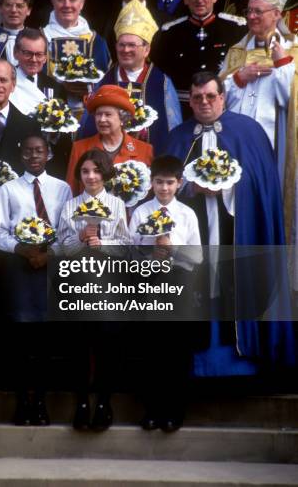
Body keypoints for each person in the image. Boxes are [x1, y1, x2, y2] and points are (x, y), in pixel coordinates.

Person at [162, 71, 294, 374]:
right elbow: (163, 185)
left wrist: (231, 186)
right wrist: (192, 188)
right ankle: (196, 363)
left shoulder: (248, 132)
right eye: (197, 98)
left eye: (210, 96)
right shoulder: (179, 136)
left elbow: (262, 186)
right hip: (194, 232)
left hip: (236, 227)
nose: (204, 102)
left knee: (233, 284)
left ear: (222, 96)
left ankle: (240, 362)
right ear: (190, 101)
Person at [0, 132, 72, 426]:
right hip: (21, 266)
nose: (34, 156)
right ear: (20, 154)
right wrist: (20, 248)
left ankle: (40, 402)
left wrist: (50, 254)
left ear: (49, 154)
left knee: (45, 340)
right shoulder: (9, 190)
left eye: (39, 151)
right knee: (21, 339)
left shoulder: (61, 189)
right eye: (28, 151)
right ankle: (21, 402)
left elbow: (67, 231)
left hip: (50, 265)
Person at [220, 0, 297, 226]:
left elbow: (290, 101)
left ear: (277, 14)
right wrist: (238, 78)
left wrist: (281, 63)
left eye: (258, 12)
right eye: (249, 11)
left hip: (275, 147)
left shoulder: (293, 53)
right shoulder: (236, 52)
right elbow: (216, 99)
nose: (251, 17)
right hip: (237, 146)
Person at [58, 148, 130, 430]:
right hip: (78, 281)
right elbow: (63, 248)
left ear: (105, 174)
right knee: (80, 344)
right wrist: (80, 236)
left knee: (106, 344)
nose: (91, 176)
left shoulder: (116, 205)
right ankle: (82, 401)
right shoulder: (70, 206)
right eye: (85, 171)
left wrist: (104, 244)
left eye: (96, 171)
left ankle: (104, 401)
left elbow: (126, 246)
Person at [129, 155, 201, 431]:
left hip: (179, 281)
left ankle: (174, 412)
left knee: (176, 350)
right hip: (149, 282)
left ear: (179, 183)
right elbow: (132, 251)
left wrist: (174, 248)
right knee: (152, 349)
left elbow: (198, 256)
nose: (164, 188)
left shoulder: (186, 214)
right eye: (159, 182)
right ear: (151, 183)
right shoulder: (141, 213)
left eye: (170, 182)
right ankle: (152, 410)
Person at [79, 0, 182, 155]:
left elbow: (173, 131)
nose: (125, 50)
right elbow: (88, 128)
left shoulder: (163, 83)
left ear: (146, 49)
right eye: (121, 44)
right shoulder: (103, 82)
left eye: (132, 45)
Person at [150, 0, 247, 117]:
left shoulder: (236, 29)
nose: (199, 0)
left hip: (224, 107)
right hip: (182, 109)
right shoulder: (169, 33)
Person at [66, 85, 153, 195]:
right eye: (98, 114)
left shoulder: (144, 150)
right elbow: (71, 192)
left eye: (108, 114)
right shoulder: (80, 148)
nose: (102, 119)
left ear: (122, 118)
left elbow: (148, 196)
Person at [42, 0, 111, 114]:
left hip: (90, 119)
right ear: (52, 2)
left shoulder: (97, 42)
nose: (67, 5)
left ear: (82, 3)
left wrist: (89, 86)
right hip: (48, 117)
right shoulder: (40, 39)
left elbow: (108, 85)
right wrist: (61, 85)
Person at [11, 28, 64, 115]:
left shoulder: (56, 87)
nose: (33, 60)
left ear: (45, 57)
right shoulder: (5, 83)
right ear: (15, 53)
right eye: (27, 53)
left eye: (39, 54)